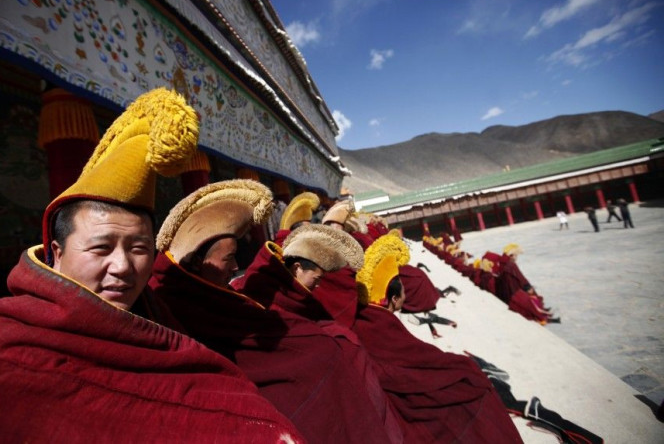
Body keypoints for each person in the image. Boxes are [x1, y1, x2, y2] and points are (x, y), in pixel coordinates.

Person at [0, 88, 302, 442]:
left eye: (139, 248)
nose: (123, 267)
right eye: (101, 248)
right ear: (56, 252)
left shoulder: (158, 318)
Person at [151, 181, 402, 443]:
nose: (236, 266)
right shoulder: (176, 301)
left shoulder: (217, 291)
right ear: (194, 261)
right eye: (228, 259)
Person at [349, 234, 523, 443]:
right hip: (408, 401)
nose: (406, 294)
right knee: (473, 381)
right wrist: (462, 366)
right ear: (394, 299)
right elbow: (418, 362)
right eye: (403, 290)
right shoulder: (382, 325)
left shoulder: (368, 317)